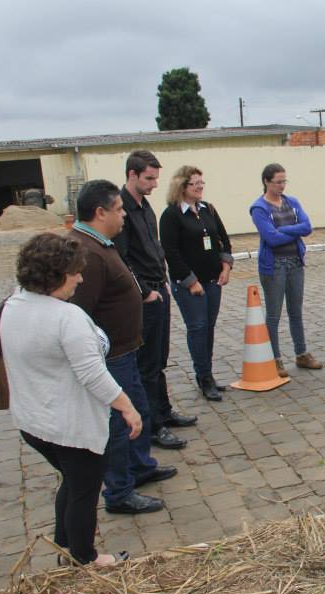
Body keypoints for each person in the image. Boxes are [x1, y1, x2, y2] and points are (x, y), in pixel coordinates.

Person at [1, 233, 138, 566]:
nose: (79, 278)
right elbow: (93, 375)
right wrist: (128, 407)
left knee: (72, 481)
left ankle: (64, 546)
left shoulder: (14, 303)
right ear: (56, 274)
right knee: (84, 490)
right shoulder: (66, 317)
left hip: (33, 422)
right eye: (75, 272)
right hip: (69, 425)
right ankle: (84, 558)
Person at [70, 179, 177, 515]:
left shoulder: (103, 243)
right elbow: (79, 314)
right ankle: (119, 492)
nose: (123, 217)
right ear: (100, 212)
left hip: (125, 350)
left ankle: (140, 467)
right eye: (118, 210)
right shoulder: (85, 251)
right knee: (119, 423)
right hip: (110, 357)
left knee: (138, 410)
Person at [114, 150, 194, 450]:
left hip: (159, 289)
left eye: (156, 178)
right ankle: (152, 426)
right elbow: (124, 260)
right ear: (132, 175)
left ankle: (163, 410)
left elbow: (154, 249)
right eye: (149, 178)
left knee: (159, 359)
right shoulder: (122, 210)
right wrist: (144, 291)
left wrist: (164, 281)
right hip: (144, 297)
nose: (154, 184)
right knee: (146, 364)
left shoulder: (145, 207)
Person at [160, 166, 234, 401]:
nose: (200, 187)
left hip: (213, 280)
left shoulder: (208, 209)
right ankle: (203, 378)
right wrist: (191, 281)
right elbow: (171, 253)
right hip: (189, 285)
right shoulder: (171, 215)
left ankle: (208, 374)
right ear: (182, 186)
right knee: (198, 328)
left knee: (209, 328)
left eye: (202, 183)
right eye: (195, 184)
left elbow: (224, 241)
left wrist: (226, 267)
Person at [249, 163, 323, 377]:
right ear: (266, 182)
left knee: (295, 311)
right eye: (277, 182)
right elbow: (271, 238)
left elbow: (307, 226)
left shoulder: (292, 202)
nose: (282, 185)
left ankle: (301, 353)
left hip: (295, 262)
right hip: (275, 266)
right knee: (274, 314)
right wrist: (293, 231)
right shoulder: (259, 208)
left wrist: (284, 229)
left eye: (284, 181)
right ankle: (275, 358)